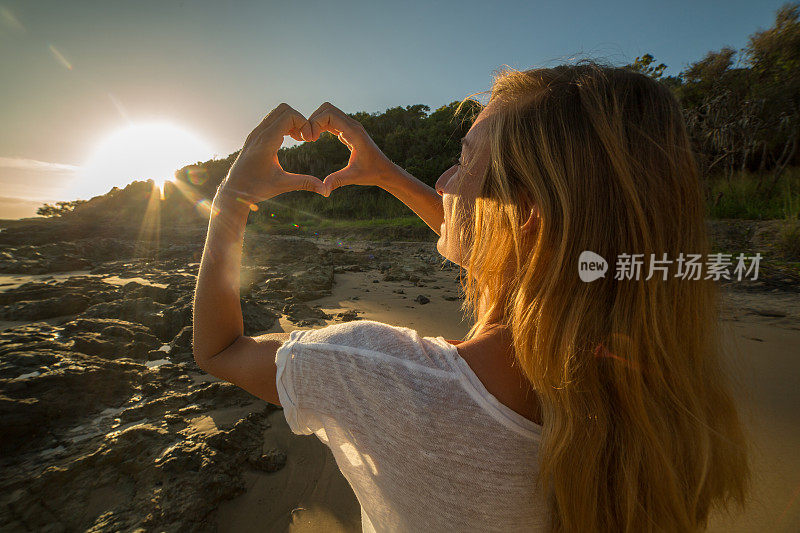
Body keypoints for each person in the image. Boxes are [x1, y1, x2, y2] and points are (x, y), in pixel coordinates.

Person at [193, 61, 751, 532]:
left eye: (463, 159)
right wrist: (386, 173)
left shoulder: (373, 372)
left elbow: (219, 350)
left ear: (528, 213)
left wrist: (232, 199)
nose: (442, 180)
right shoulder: (657, 395)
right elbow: (529, 261)